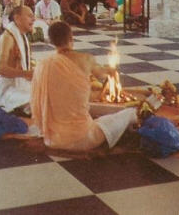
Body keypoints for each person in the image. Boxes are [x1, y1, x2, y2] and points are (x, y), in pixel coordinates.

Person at [31, 21, 138, 151]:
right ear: (71, 38)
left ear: (51, 41)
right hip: (83, 139)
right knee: (129, 113)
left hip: (51, 139)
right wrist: (111, 69)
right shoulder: (86, 59)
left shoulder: (42, 65)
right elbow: (103, 74)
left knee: (93, 115)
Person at [0, 5, 35, 114]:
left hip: (22, 84)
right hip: (8, 89)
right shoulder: (7, 37)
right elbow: (1, 69)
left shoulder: (22, 35)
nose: (34, 19)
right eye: (30, 16)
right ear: (17, 18)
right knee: (39, 101)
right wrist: (27, 73)